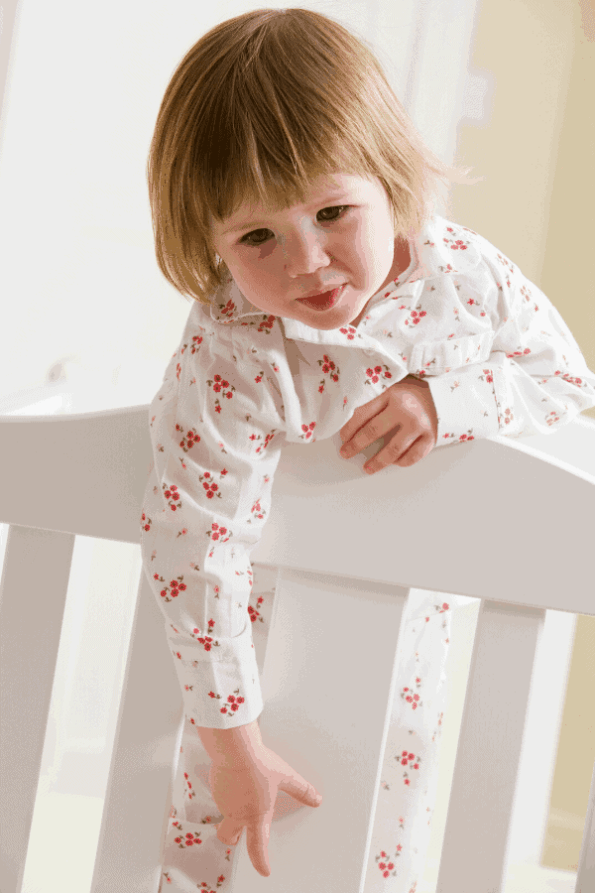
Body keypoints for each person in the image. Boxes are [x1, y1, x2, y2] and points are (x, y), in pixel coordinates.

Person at [139, 8, 595, 892]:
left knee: (372, 840)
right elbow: (190, 540)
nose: (306, 260)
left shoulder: (463, 282)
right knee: (208, 851)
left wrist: (447, 397)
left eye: (333, 211)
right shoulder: (232, 343)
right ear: (211, 243)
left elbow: (570, 399)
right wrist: (232, 736)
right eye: (256, 236)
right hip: (230, 676)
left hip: (402, 657)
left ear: (389, 179)